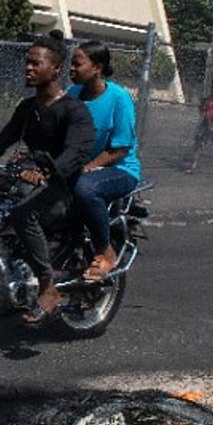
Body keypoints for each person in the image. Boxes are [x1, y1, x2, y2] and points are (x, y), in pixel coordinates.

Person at [0, 31, 95, 325]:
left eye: (35, 63)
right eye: (27, 62)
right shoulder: (27, 108)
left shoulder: (73, 110)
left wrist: (47, 171)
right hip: (28, 179)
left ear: (55, 69)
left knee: (23, 214)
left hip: (60, 189)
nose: (28, 68)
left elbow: (77, 151)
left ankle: (48, 287)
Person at [67, 40, 141, 281]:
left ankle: (105, 250)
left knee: (84, 188)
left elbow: (120, 148)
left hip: (119, 169)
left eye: (78, 64)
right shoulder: (72, 93)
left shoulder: (119, 98)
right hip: (81, 166)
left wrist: (87, 168)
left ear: (97, 67)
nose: (71, 69)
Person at [186, 81, 213, 176]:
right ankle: (193, 166)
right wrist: (202, 105)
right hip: (206, 123)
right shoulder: (210, 98)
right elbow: (203, 109)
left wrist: (209, 113)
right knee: (199, 143)